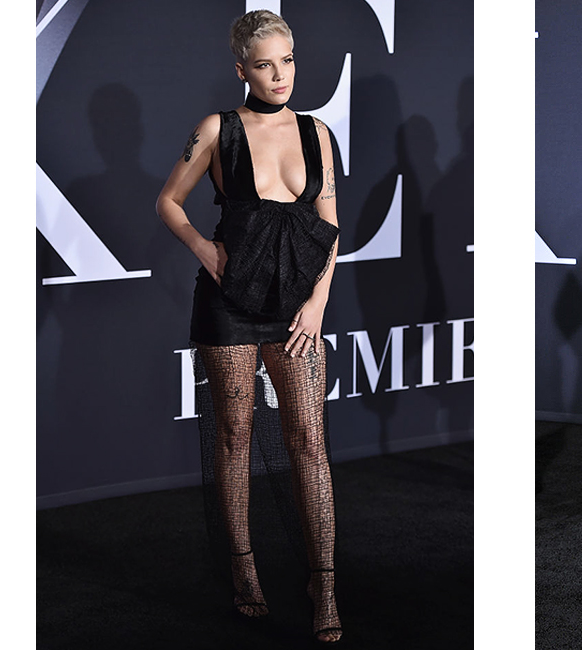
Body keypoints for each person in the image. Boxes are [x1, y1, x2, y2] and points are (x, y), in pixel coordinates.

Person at [153, 9, 343, 644]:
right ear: (242, 70)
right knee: (234, 437)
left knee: (309, 441)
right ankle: (244, 572)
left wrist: (317, 304)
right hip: (229, 304)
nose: (280, 75)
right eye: (265, 65)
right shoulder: (217, 129)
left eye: (287, 61)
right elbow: (168, 201)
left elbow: (328, 229)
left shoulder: (318, 133)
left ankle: (324, 583)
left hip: (296, 309)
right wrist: (205, 251)